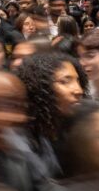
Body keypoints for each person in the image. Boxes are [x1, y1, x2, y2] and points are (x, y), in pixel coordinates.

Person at [16, 51, 87, 180]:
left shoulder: (75, 126)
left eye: (78, 81)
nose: (78, 90)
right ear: (40, 87)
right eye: (65, 82)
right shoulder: (24, 137)